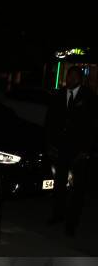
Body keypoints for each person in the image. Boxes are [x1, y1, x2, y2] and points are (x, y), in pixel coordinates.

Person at [44, 65, 98, 237]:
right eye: (69, 76)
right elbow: (50, 121)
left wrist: (86, 149)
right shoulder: (58, 96)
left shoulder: (89, 98)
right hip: (60, 149)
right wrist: (50, 144)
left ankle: (71, 223)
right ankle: (58, 215)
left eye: (74, 77)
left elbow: (93, 126)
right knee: (59, 184)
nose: (70, 80)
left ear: (80, 79)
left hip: (79, 152)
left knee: (78, 189)